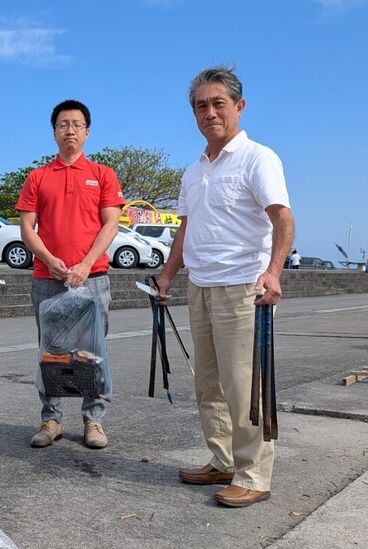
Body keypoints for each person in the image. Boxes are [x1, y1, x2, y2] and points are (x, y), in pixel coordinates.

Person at [155, 66, 294, 508]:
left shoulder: (258, 158)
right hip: (201, 286)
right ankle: (223, 459)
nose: (210, 112)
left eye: (218, 103)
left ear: (239, 106)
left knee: (243, 386)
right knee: (209, 384)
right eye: (201, 105)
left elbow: (282, 220)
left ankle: (254, 475)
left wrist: (274, 272)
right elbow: (186, 228)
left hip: (242, 289)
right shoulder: (194, 170)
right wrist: (168, 274)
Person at [16, 99, 125, 450]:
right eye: (63, 124)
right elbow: (27, 228)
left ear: (87, 132)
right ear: (54, 131)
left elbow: (111, 223)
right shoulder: (38, 177)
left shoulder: (103, 175)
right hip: (47, 278)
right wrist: (48, 259)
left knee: (93, 351)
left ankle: (94, 420)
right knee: (51, 351)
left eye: (77, 124)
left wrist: (84, 263)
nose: (70, 130)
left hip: (92, 278)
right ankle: (51, 419)